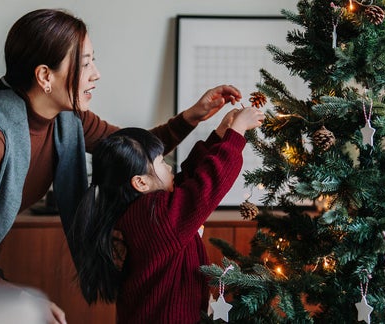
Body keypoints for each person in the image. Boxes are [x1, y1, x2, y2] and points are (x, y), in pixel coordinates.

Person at [0, 8, 242, 324]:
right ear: (45, 76)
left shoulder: (66, 118)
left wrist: (191, 116)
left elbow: (130, 152)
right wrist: (11, 295)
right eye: (85, 62)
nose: (96, 73)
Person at [67, 104, 264, 323]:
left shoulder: (142, 209)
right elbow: (207, 183)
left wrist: (219, 136)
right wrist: (236, 132)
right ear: (141, 183)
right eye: (161, 162)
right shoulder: (157, 216)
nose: (170, 168)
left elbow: (188, 179)